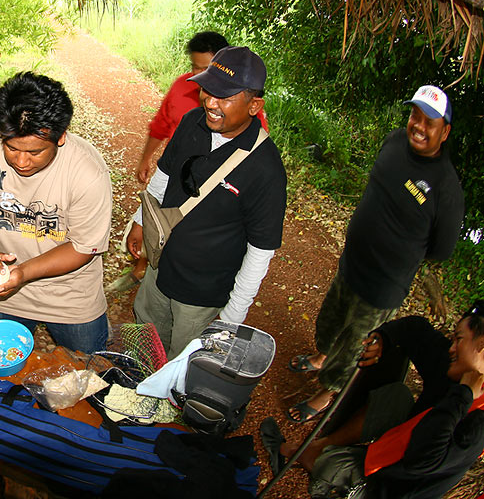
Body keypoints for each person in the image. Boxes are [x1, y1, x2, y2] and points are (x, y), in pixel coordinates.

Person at [287, 85, 464, 423]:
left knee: (356, 341)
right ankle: (322, 355)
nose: (419, 126)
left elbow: (441, 250)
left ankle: (329, 392)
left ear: (445, 132)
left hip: (383, 285)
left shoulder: (446, 190)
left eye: (430, 122)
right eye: (415, 115)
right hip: (352, 261)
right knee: (331, 319)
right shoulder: (396, 141)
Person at [126, 46, 287, 360]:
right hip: (160, 265)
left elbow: (260, 251)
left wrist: (231, 317)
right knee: (144, 335)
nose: (210, 103)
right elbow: (165, 172)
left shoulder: (265, 169)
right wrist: (141, 219)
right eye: (208, 90)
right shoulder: (192, 122)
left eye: (225, 97)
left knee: (182, 362)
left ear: (255, 105)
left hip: (200, 295)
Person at [0, 72, 112, 353]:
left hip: (72, 300)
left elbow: (84, 246)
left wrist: (22, 273)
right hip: (6, 298)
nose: (21, 162)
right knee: (4, 378)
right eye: (11, 147)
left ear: (60, 136)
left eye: (35, 152)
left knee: (87, 376)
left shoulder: (87, 172)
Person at [274, 307, 484, 499]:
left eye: (459, 339)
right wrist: (384, 338)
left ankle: (317, 463)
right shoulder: (454, 367)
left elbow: (422, 460)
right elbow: (416, 330)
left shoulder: (478, 421)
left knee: (331, 466)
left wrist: (462, 396)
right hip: (401, 447)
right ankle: (316, 449)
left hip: (393, 488)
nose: (451, 348)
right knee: (396, 398)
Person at [136, 31, 230, 184]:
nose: (198, 74)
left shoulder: (241, 102)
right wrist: (145, 159)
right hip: (174, 173)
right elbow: (161, 125)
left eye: (206, 69)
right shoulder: (181, 86)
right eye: (195, 67)